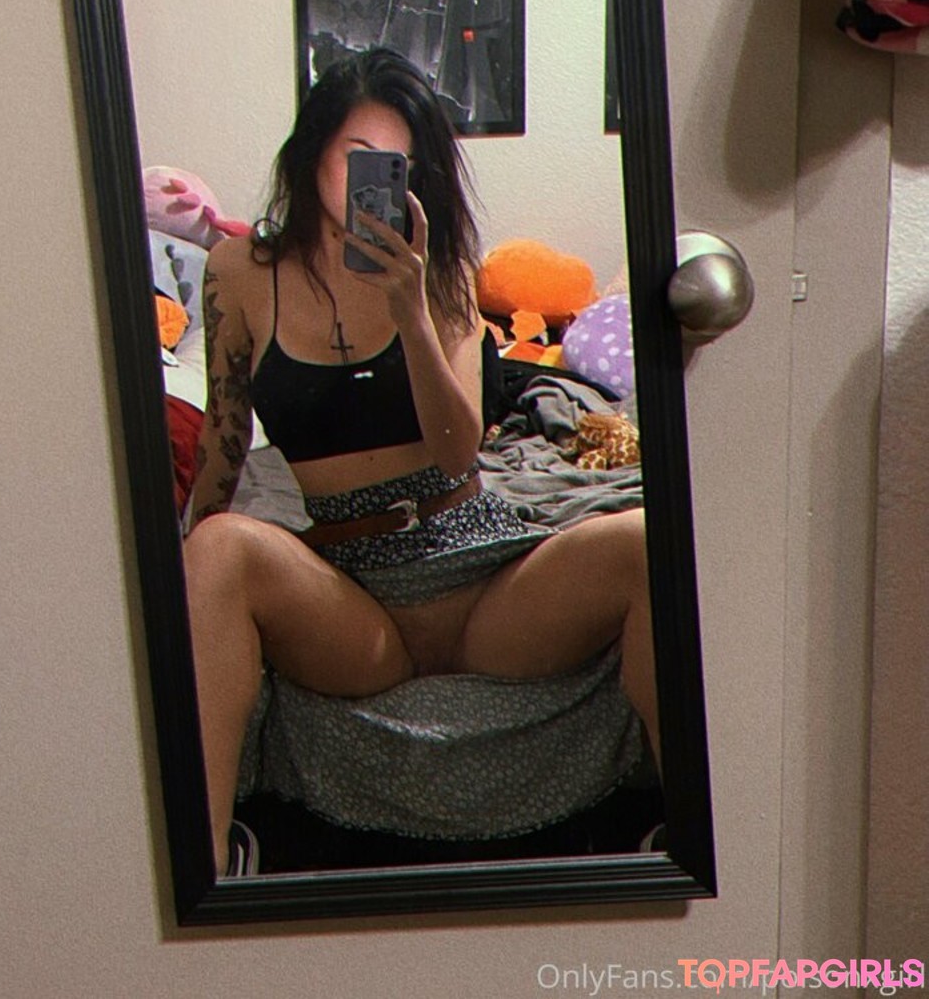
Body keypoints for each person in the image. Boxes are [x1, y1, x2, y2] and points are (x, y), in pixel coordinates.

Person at [183, 47, 656, 877]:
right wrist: (183, 571)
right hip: (355, 599)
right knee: (218, 548)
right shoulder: (240, 274)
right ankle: (199, 873)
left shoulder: (439, 273)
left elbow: (457, 446)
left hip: (478, 582)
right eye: (356, 157)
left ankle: (684, 845)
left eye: (394, 165)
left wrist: (410, 311)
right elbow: (224, 442)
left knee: (650, 538)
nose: (370, 183)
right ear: (313, 154)